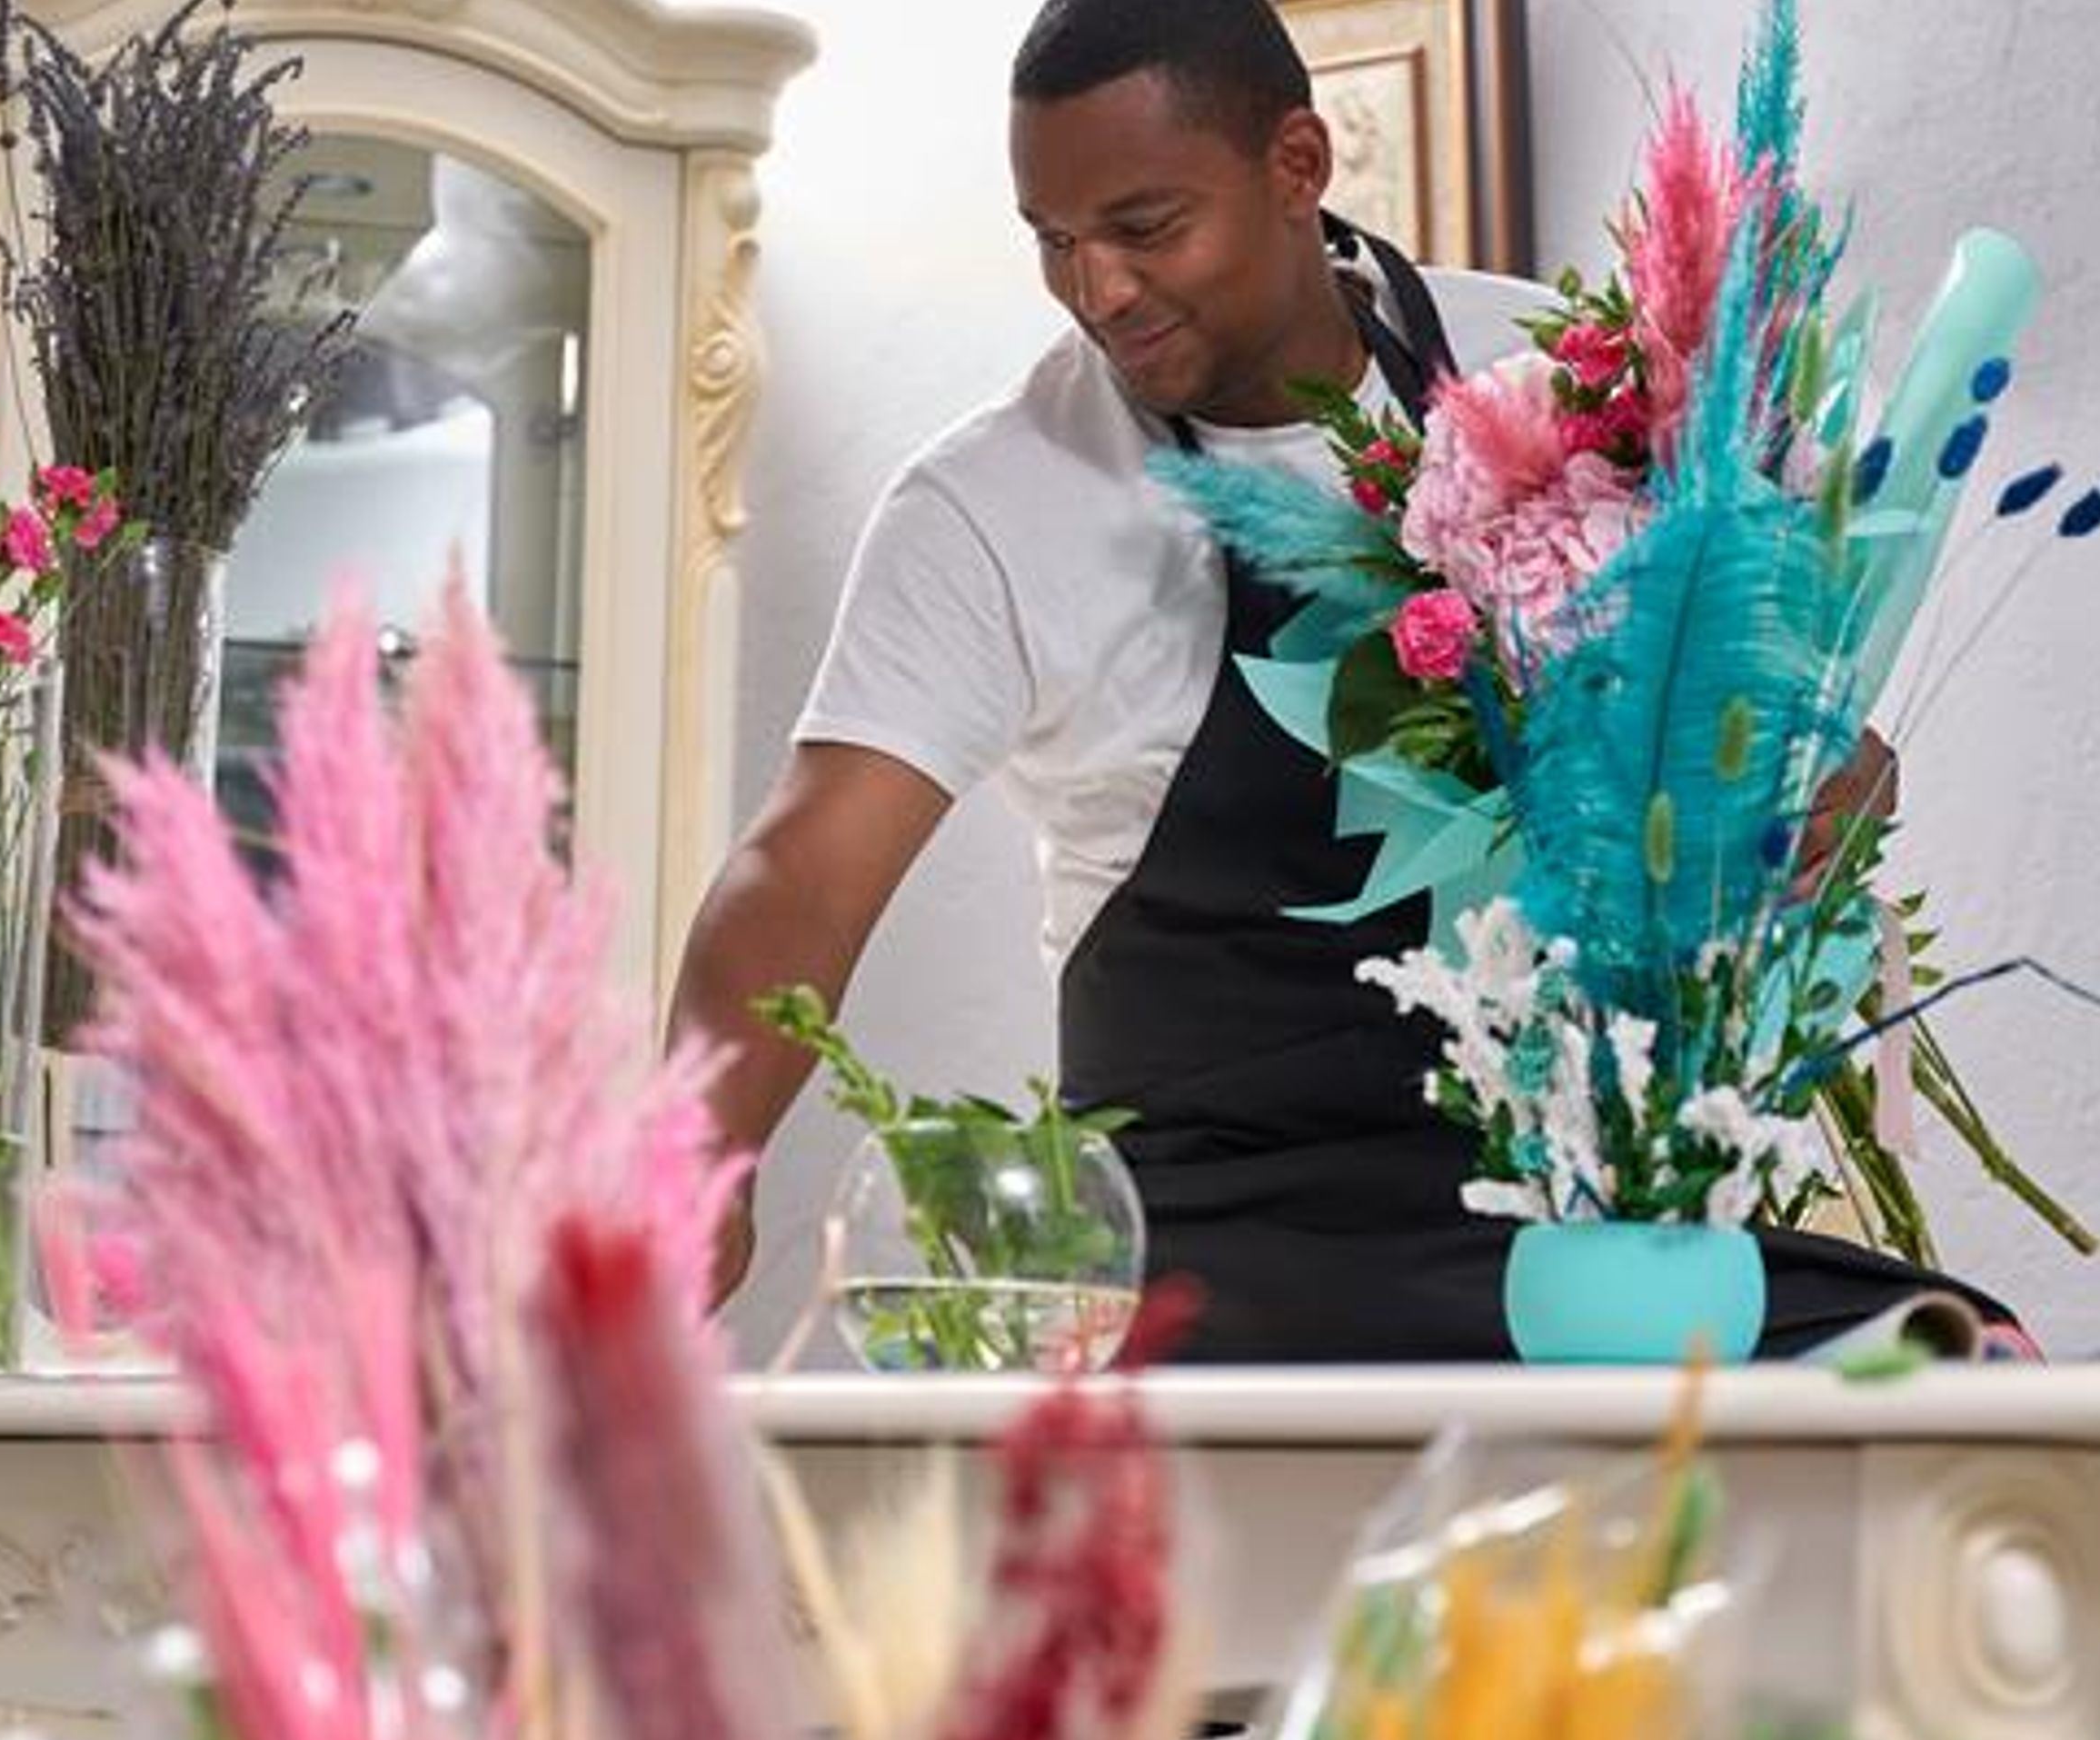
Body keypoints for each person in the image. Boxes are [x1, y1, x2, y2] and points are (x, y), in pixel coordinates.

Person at [672, 0, 2006, 1359]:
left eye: (1144, 228)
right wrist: (696, 1154)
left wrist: (1832, 775)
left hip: (1568, 1198)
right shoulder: (991, 502)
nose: (1098, 291)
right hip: (1203, 1230)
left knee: (1947, 1348)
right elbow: (803, 868)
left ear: (1297, 164)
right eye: (1054, 243)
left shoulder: (1549, 369)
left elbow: (1739, 705)